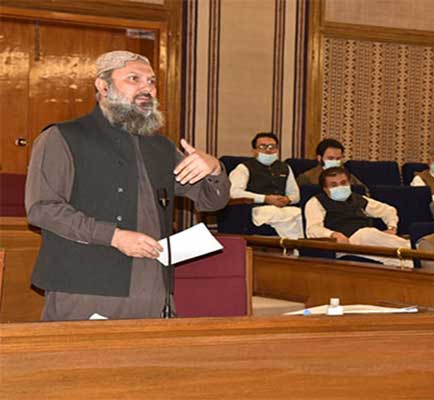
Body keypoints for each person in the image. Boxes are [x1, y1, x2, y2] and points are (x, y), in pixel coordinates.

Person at [25, 50, 230, 321]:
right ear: (103, 86)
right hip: (85, 285)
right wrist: (114, 236)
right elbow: (42, 209)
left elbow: (211, 201)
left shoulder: (161, 147)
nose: (147, 88)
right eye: (134, 78)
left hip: (153, 287)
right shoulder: (62, 137)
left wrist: (214, 168)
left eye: (151, 81)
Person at [304, 167, 410, 266]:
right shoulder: (316, 202)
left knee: (394, 259)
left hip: (369, 242)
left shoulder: (358, 199)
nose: (340, 187)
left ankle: (413, 261)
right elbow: (312, 229)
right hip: (342, 246)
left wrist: (392, 227)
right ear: (325, 189)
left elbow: (388, 210)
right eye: (334, 185)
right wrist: (332, 234)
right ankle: (412, 248)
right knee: (366, 233)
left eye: (343, 183)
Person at [228, 132, 304, 240]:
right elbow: (234, 192)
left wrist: (288, 199)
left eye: (272, 147)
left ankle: (297, 245)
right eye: (262, 147)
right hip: (257, 208)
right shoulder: (244, 168)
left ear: (277, 150)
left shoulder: (285, 167)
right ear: (254, 151)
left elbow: (295, 194)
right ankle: (291, 245)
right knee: (275, 214)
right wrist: (265, 198)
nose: (268, 150)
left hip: (283, 207)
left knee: (299, 214)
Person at [296, 138, 367, 191]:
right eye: (330, 158)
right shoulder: (306, 178)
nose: (335, 161)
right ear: (319, 158)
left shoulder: (347, 175)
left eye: (338, 158)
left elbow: (364, 191)